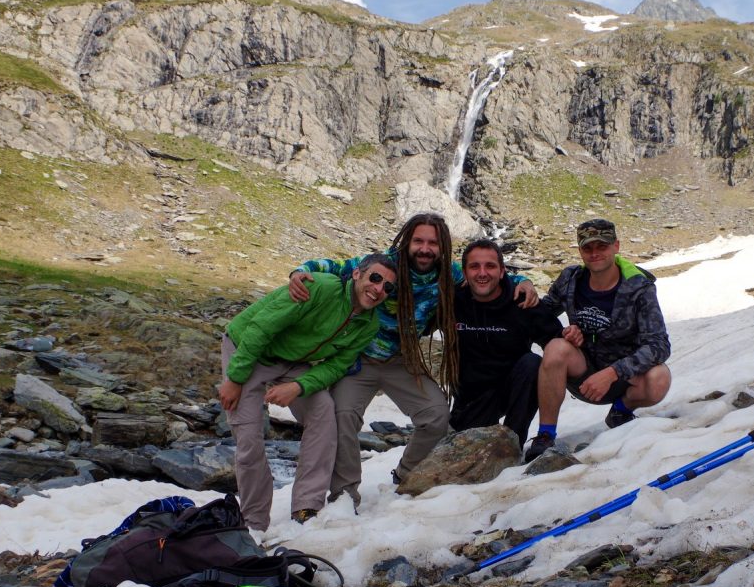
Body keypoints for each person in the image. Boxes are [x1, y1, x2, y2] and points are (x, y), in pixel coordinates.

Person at [288, 213, 536, 501]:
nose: (425, 248)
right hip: (358, 359)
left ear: (442, 246)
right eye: (418, 240)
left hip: (401, 360)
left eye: (433, 242)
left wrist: (525, 281)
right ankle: (344, 493)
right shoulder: (384, 267)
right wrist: (299, 271)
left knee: (436, 416)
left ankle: (406, 475)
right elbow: (333, 266)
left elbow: (488, 274)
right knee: (343, 417)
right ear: (407, 242)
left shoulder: (448, 274)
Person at [219, 254, 396, 531]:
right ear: (356, 275)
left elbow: (336, 366)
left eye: (388, 287)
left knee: (324, 411)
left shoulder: (368, 325)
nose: (378, 289)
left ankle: (306, 508)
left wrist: (299, 386)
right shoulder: (319, 288)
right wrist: (235, 378)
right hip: (247, 350)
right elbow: (261, 327)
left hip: (293, 363)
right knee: (250, 438)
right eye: (375, 278)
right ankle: (253, 523)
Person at [524, 218, 672, 461]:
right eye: (587, 248)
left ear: (616, 246)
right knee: (556, 348)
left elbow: (659, 345)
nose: (594, 254)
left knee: (659, 378)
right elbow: (542, 313)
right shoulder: (571, 279)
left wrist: (613, 373)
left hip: (624, 378)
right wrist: (523, 284)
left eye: (601, 246)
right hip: (583, 373)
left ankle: (620, 412)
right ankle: (545, 435)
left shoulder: (639, 288)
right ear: (580, 250)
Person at [451, 238, 562, 446]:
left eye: (490, 266)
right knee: (466, 448)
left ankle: (513, 442)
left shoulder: (522, 300)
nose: (482, 273)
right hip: (471, 397)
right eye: (475, 266)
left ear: (502, 271)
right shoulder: (453, 300)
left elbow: (559, 343)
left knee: (532, 363)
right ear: (464, 273)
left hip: (512, 387)